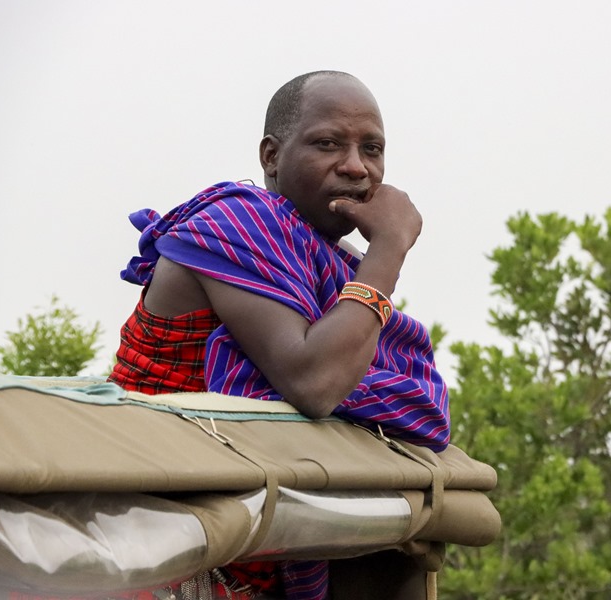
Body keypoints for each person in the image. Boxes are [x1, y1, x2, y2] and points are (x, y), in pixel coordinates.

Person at [103, 71, 448, 599]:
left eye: (372, 149)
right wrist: (390, 247)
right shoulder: (235, 224)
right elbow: (315, 382)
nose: (357, 166)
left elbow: (400, 393)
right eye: (328, 143)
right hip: (159, 540)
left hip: (254, 547)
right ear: (271, 156)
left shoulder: (332, 266)